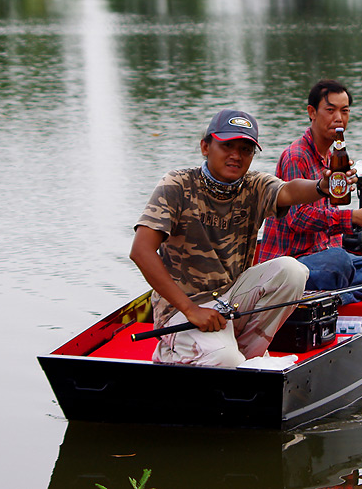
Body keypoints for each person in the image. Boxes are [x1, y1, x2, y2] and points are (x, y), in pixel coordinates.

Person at [130, 108, 349, 367]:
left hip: (231, 301)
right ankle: (175, 352)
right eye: (227, 146)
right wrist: (191, 310)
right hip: (182, 309)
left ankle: (248, 355)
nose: (236, 156)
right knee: (224, 359)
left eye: (245, 150)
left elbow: (289, 191)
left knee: (293, 271)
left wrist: (321, 187)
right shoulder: (177, 184)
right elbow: (141, 251)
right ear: (205, 147)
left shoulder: (254, 185)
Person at [258, 79, 362, 305]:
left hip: (326, 258)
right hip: (292, 264)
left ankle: (336, 296)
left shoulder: (334, 157)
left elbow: (329, 215)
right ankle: (338, 294)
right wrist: (352, 218)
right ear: (312, 112)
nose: (338, 118)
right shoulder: (296, 156)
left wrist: (354, 194)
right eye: (330, 110)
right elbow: (297, 219)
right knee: (339, 260)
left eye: (344, 111)